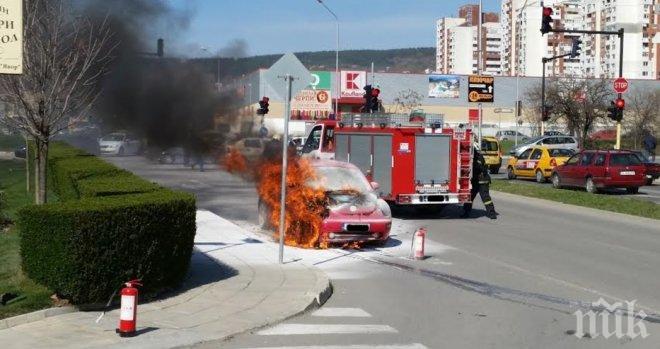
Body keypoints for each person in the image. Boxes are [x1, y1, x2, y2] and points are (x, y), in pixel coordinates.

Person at [462, 147, 498, 219]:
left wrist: (473, 163)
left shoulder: (479, 157)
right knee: (469, 197)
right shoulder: (470, 158)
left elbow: (479, 167)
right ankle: (466, 212)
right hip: (475, 181)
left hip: (482, 180)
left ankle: (492, 213)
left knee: (485, 197)